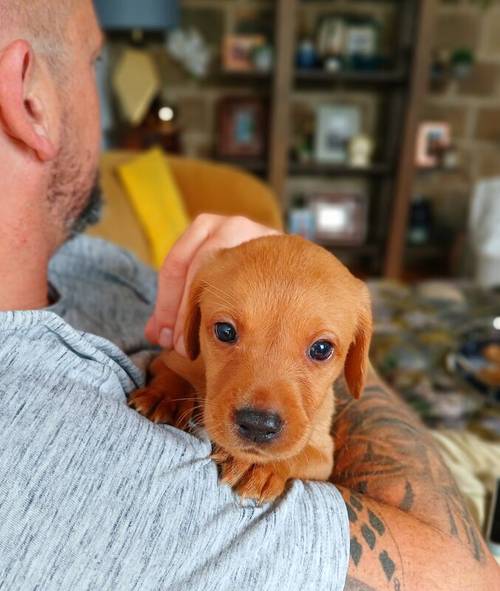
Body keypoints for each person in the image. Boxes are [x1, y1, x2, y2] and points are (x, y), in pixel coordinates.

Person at [0, 1, 498, 589]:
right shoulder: (43, 455)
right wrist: (178, 381)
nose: (260, 412)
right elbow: (469, 576)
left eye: (321, 351)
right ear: (29, 97)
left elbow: (185, 353)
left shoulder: (88, 261)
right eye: (94, 61)